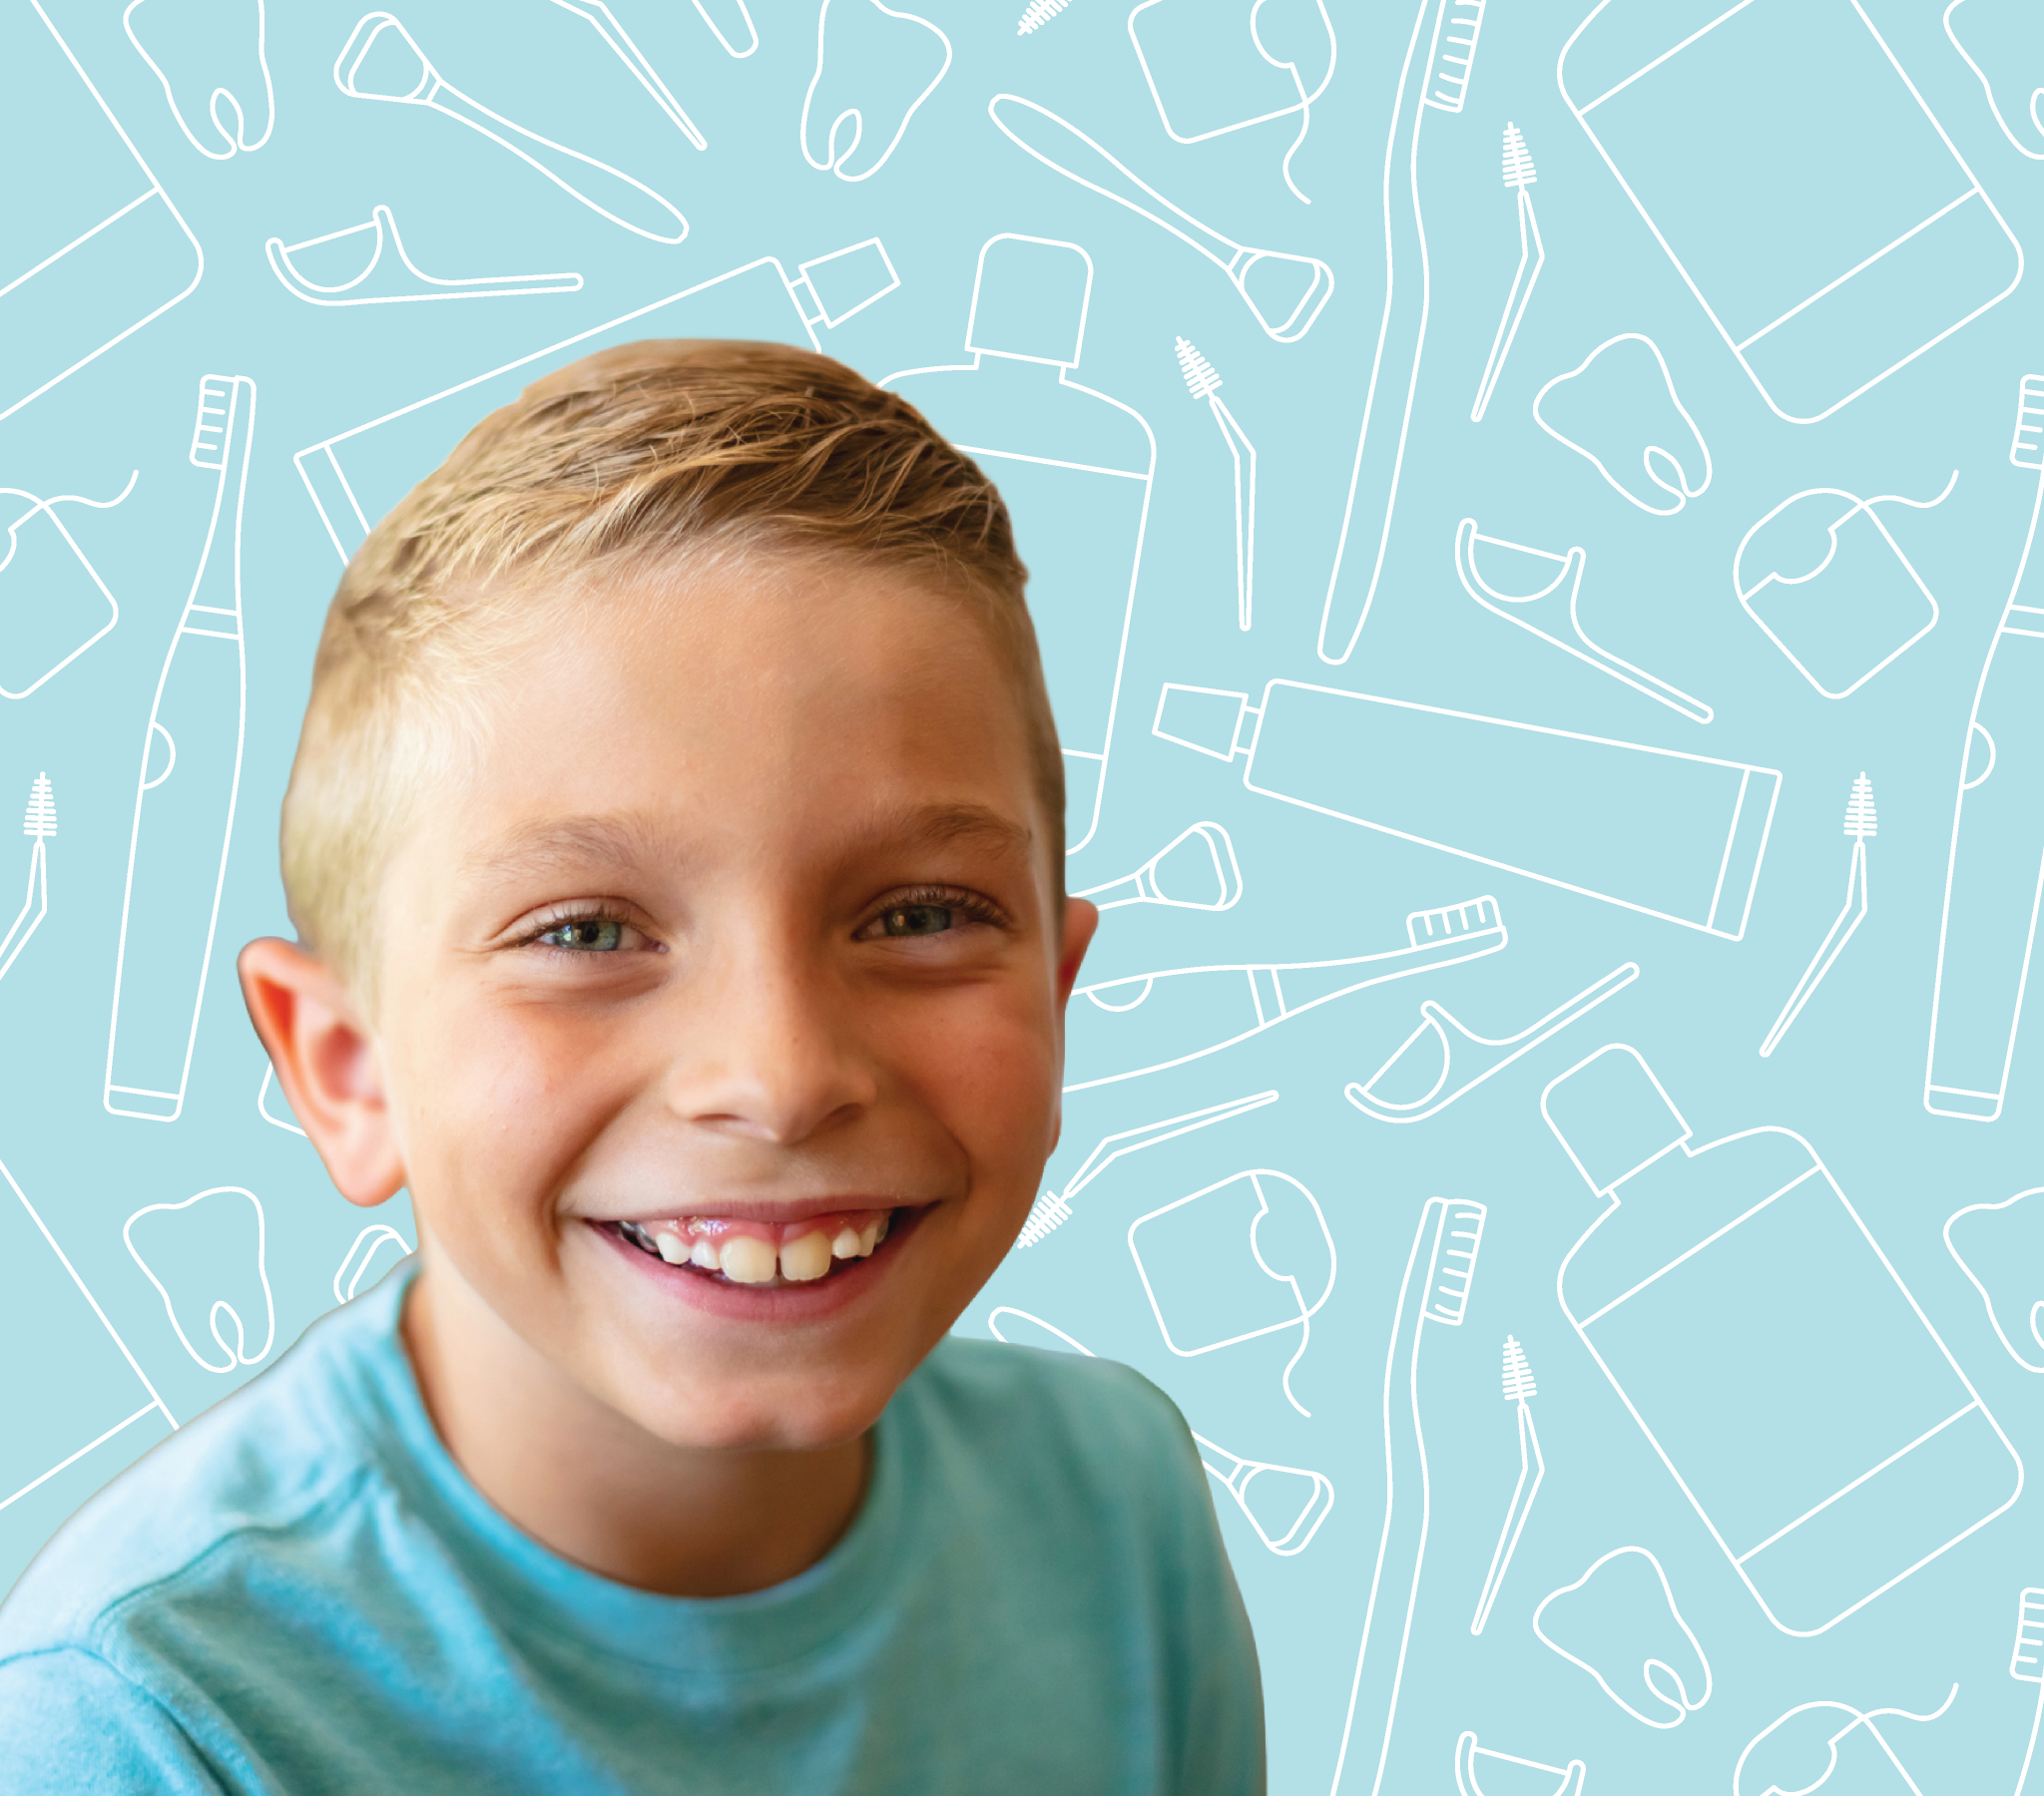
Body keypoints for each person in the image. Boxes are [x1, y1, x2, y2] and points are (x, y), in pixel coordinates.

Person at [0, 339, 1264, 1791]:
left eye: (919, 915)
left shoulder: (1119, 1504)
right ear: (347, 1071)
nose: (780, 1077)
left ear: (1055, 988)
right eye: (587, 931)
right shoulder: (139, 1722)